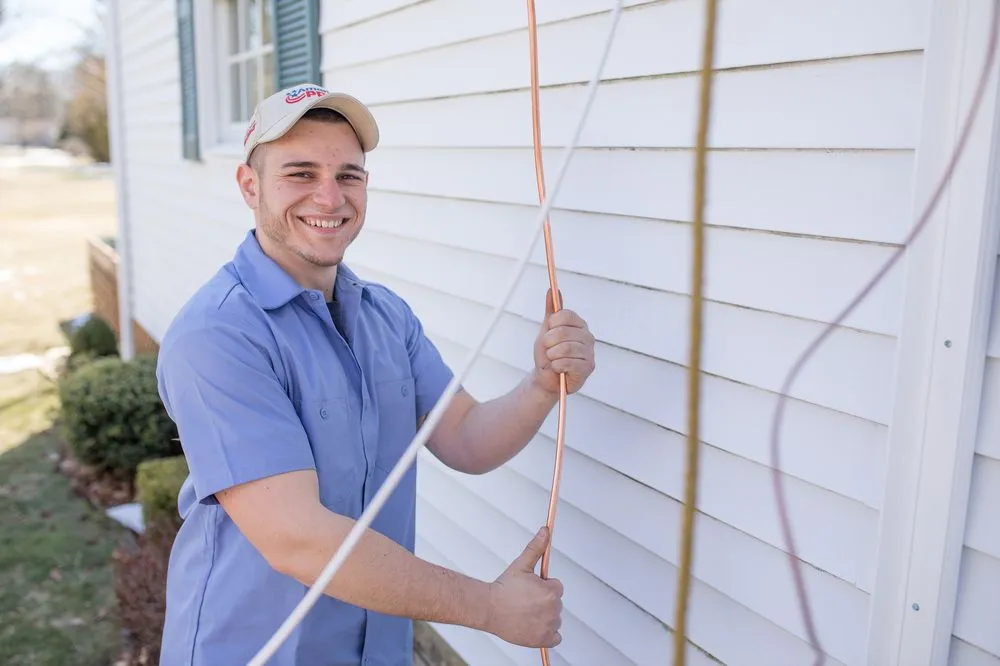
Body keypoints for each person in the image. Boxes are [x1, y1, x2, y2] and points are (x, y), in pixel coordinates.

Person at [155, 83, 597, 666]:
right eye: (300, 173)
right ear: (249, 186)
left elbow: (465, 438)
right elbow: (297, 538)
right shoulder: (218, 336)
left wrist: (542, 384)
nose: (329, 196)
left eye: (349, 175)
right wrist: (489, 608)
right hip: (253, 649)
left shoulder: (385, 316)